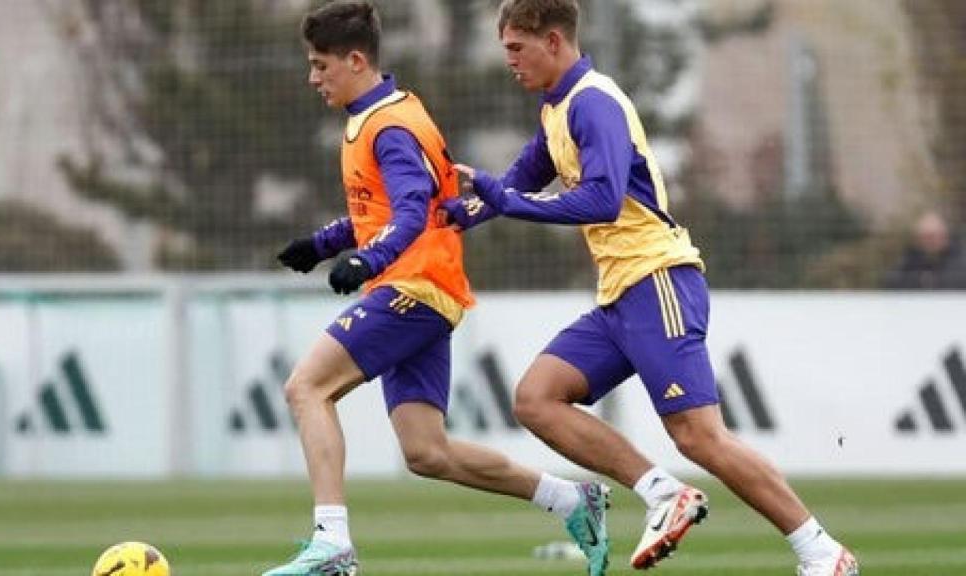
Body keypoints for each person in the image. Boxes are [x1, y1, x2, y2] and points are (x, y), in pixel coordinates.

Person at [441, 1, 860, 574]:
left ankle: (823, 552)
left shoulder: (594, 103)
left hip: (657, 280)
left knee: (700, 437)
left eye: (517, 47)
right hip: (621, 293)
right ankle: (663, 493)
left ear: (555, 41)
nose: (509, 60)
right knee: (536, 398)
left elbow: (602, 199)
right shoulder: (556, 108)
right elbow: (518, 179)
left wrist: (506, 201)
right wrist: (462, 212)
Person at [264, 3, 611, 575]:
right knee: (427, 452)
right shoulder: (386, 113)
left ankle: (332, 546)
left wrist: (365, 259)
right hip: (427, 289)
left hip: (412, 286)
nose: (313, 78)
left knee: (307, 388)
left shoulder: (389, 127)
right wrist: (324, 243)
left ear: (356, 59)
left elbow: (407, 214)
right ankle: (572, 499)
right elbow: (388, 208)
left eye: (321, 65)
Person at [884, 209, 966, 290]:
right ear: (917, 239)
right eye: (926, 237)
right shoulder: (906, 265)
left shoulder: (960, 264)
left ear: (945, 236)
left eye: (934, 236)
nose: (931, 241)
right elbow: (892, 287)